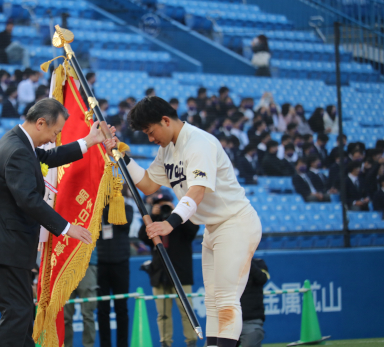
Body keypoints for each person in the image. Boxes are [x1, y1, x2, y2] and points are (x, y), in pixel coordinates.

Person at [0, 99, 116, 347]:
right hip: (3, 248)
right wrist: (67, 228)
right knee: (17, 313)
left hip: (7, 247)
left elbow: (50, 157)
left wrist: (90, 141)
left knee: (22, 314)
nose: (54, 138)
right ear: (41, 123)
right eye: (55, 132)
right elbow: (28, 200)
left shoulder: (18, 142)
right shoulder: (18, 150)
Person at [124, 96, 262, 347]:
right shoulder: (166, 150)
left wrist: (170, 222)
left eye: (150, 131)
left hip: (235, 223)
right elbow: (148, 184)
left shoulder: (199, 142)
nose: (150, 138)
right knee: (211, 299)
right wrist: (122, 157)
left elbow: (197, 191)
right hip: (212, 228)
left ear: (165, 120)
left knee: (226, 298)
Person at [138, 195, 199, 347]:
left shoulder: (181, 221)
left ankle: (191, 342)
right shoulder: (153, 220)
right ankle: (165, 343)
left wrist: (175, 215)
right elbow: (141, 236)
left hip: (181, 275)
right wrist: (152, 216)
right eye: (159, 204)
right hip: (160, 274)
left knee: (186, 312)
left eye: (165, 204)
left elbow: (193, 230)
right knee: (163, 314)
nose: (163, 207)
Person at [96, 204, 134, 347]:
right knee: (102, 309)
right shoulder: (96, 207)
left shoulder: (126, 207)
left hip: (121, 263)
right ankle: (105, 344)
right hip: (101, 263)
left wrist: (113, 204)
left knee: (121, 308)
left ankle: (122, 344)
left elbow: (124, 222)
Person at [64, 253, 97, 347]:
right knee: (64, 317)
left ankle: (89, 345)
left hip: (87, 263)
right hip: (65, 265)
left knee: (88, 314)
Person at [237, 259, 269, 347]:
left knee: (250, 344)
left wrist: (246, 261)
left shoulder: (258, 263)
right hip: (227, 322)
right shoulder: (225, 264)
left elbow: (262, 279)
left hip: (251, 321)